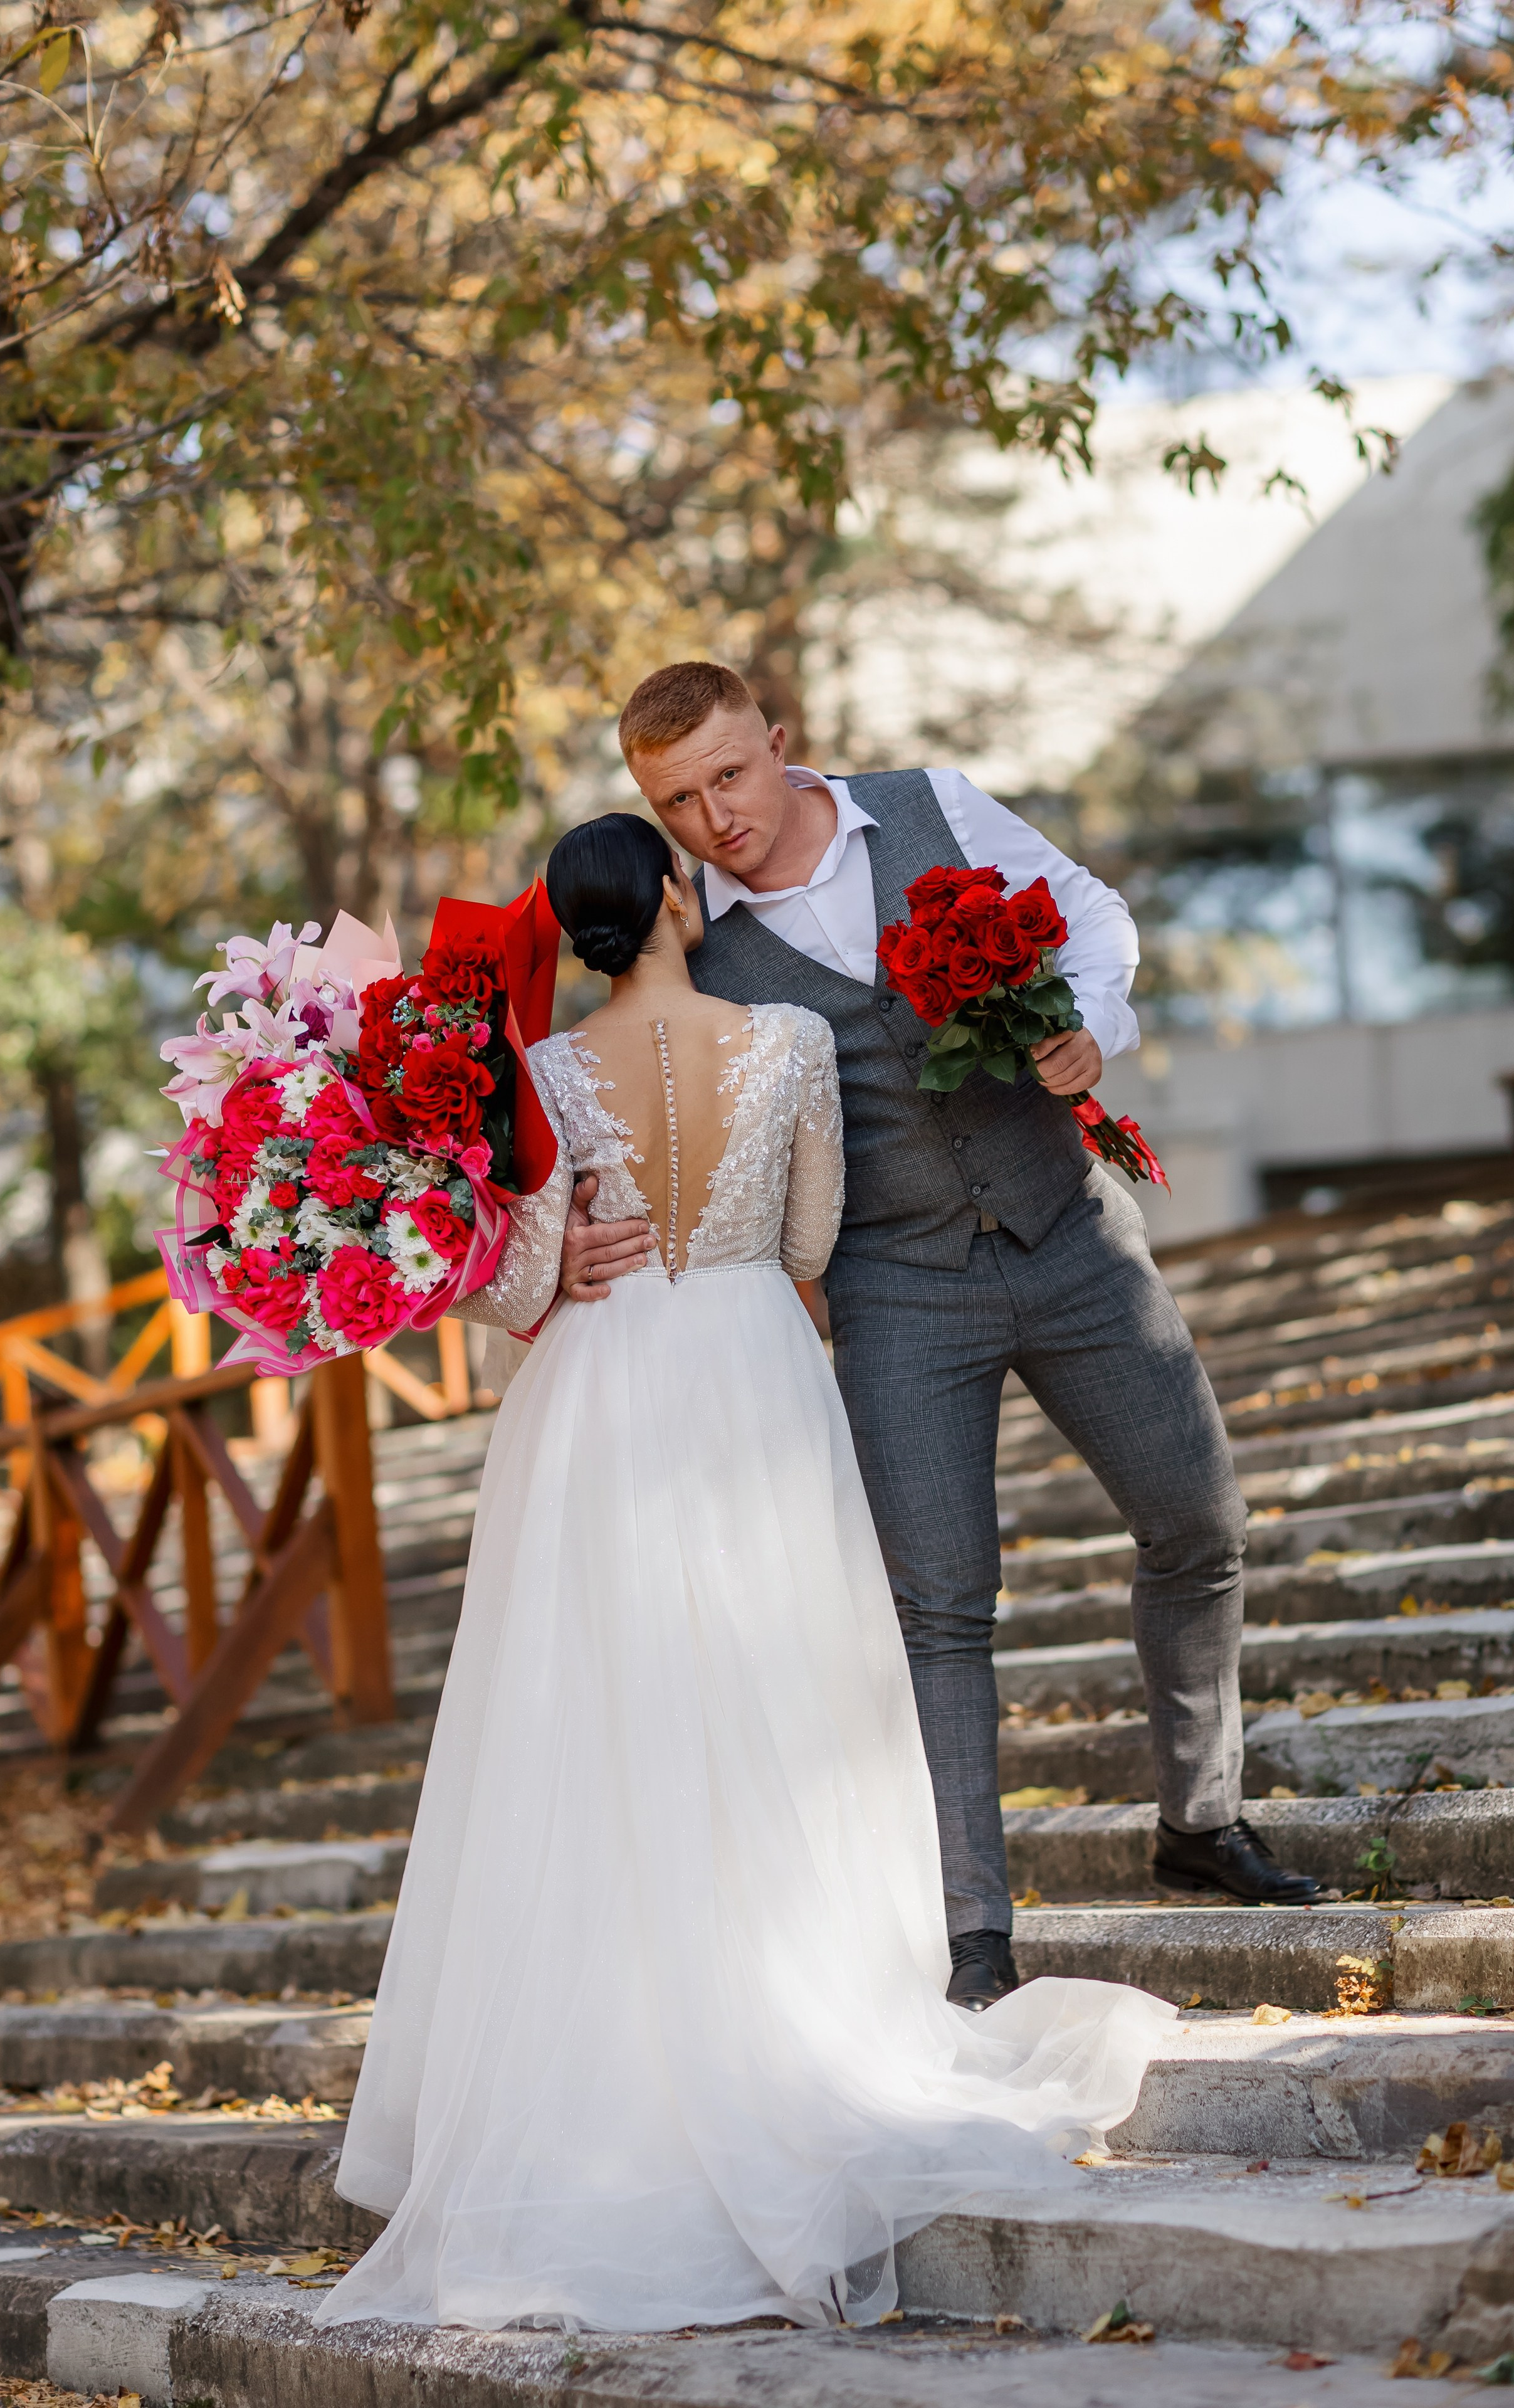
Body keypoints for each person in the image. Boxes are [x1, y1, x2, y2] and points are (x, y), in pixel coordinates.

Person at [315, 813, 1173, 2337]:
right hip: (751, 1359)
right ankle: (789, 2009)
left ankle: (612, 2063)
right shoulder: (786, 1040)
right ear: (667, 895)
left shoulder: (542, 1071)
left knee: (598, 1718)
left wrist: (565, 1265)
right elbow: (811, 1235)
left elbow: (507, 1277)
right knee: (780, 1692)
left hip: (598, 1385)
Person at [559, 662, 1322, 2012]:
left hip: (1070, 1235)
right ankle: (975, 1934)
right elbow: (603, 1100)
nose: (714, 817)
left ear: (779, 743)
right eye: (676, 802)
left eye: (728, 776)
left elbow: (1092, 912)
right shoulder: (688, 939)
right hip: (896, 1288)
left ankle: (1200, 1822)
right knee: (941, 1611)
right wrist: (561, 1239)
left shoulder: (935, 808)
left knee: (1198, 1521)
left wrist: (1092, 1023)